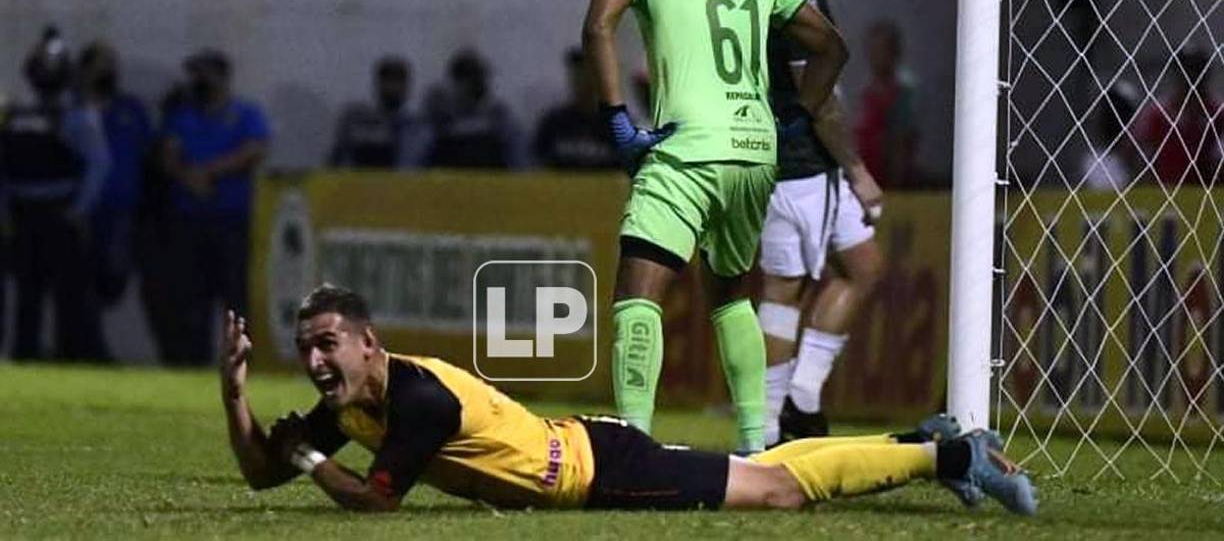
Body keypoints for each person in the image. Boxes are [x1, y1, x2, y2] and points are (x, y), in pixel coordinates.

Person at [218, 284, 1037, 516]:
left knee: (776, 491)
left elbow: (372, 503)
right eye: (307, 349)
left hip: (597, 471)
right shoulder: (355, 399)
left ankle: (950, 455)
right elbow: (262, 474)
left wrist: (311, 457)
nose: (316, 360)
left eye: (329, 344)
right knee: (765, 467)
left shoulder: (417, 399)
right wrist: (236, 391)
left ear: (368, 342)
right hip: (587, 450)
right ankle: (916, 440)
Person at [582, 0, 848, 454]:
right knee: (729, 295)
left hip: (687, 146)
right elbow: (831, 46)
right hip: (755, 152)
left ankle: (632, 443)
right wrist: (795, 119)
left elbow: (599, 27)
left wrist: (618, 121)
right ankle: (756, 442)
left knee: (638, 289)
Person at [754, 0, 889, 444]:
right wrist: (858, 170)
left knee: (864, 267)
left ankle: (802, 398)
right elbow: (815, 87)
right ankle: (764, 426)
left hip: (811, 163)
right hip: (796, 162)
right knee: (782, 293)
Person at [0, 27, 110, 360]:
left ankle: (70, 357)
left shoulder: (76, 117)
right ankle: (25, 355)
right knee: (26, 296)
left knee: (69, 297)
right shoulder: (15, 115)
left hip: (59, 212)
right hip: (23, 212)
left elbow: (98, 165)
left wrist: (78, 211)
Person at [161, 49, 269, 364]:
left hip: (230, 220)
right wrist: (187, 176)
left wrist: (208, 172)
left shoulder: (244, 113)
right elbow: (168, 155)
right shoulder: (184, 115)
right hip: (189, 220)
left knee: (234, 298)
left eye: (203, 74)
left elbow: (254, 149)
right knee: (191, 298)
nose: (197, 81)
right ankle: (191, 362)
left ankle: (239, 363)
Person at [77, 40, 154, 306]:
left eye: (112, 65)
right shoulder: (72, 109)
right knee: (75, 277)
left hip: (120, 209)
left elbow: (148, 153)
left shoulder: (130, 109)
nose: (109, 71)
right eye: (102, 65)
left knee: (113, 279)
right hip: (77, 209)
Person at [329, 56, 432, 169]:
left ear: (407, 87)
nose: (393, 87)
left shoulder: (419, 129)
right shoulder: (358, 124)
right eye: (388, 81)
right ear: (378, 84)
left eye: (398, 81)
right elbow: (337, 163)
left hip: (408, 185)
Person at [425, 50, 522, 169]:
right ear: (456, 82)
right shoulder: (440, 118)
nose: (476, 83)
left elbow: (518, 159)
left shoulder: (499, 116)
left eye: (479, 77)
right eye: (469, 78)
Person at [1136, 50, 1220, 186]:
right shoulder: (1158, 115)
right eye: (1186, 73)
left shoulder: (1218, 114)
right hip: (1166, 195)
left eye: (1196, 73)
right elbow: (1140, 156)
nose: (1191, 80)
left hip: (1211, 196)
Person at [855, 21, 920, 188]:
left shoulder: (903, 91)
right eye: (872, 51)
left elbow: (902, 142)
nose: (874, 57)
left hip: (892, 181)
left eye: (880, 51)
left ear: (893, 53)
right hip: (868, 176)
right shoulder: (866, 90)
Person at [533, 47, 619, 170]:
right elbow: (537, 165)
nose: (582, 80)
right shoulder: (554, 123)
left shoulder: (616, 124)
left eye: (587, 73)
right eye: (577, 74)